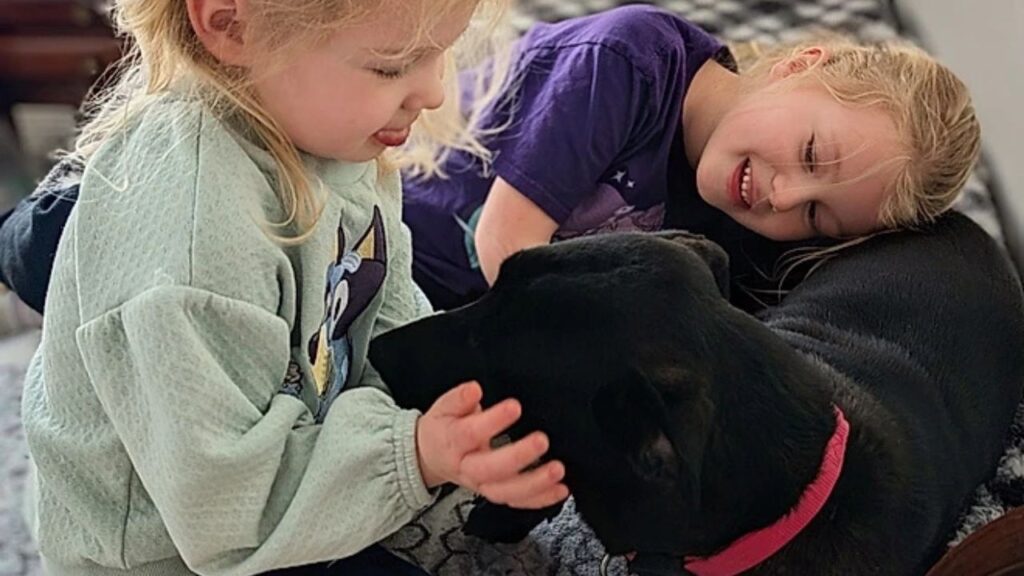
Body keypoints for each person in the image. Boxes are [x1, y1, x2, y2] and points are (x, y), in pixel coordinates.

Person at [16, 0, 569, 575]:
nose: (431, 92)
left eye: (440, 54)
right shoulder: (193, 239)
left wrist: (454, 416)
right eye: (391, 66)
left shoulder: (335, 136)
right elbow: (224, 510)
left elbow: (385, 314)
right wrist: (411, 453)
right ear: (232, 26)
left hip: (298, 484)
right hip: (181, 553)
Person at [0, 5, 981, 313]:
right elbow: (508, 243)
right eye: (810, 151)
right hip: (313, 181)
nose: (779, 192)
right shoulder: (631, 58)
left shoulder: (732, 210)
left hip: (358, 273)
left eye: (814, 215)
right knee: (74, 251)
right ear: (802, 63)